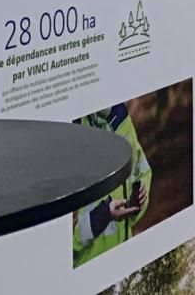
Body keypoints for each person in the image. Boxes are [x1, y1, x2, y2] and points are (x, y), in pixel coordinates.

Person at [72, 103, 152, 267]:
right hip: (90, 269)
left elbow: (142, 171)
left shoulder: (120, 115)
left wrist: (139, 198)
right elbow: (57, 244)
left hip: (125, 257)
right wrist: (102, 216)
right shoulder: (69, 134)